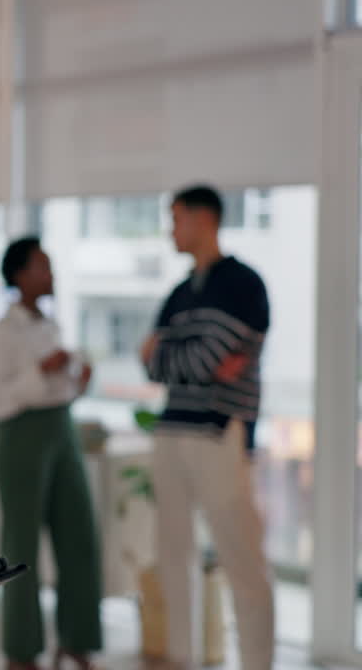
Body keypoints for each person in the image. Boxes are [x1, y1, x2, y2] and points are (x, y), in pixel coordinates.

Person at [139, 185, 273, 670]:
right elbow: (155, 364)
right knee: (172, 554)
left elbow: (193, 357)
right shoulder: (178, 292)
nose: (170, 229)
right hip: (173, 431)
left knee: (241, 558)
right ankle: (180, 658)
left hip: (219, 431)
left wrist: (173, 356)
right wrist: (188, 360)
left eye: (175, 218)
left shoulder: (244, 283)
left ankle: (258, 662)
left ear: (203, 218)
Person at [0, 237, 104, 670]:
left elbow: (61, 388)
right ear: (19, 275)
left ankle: (78, 640)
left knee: (80, 538)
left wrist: (78, 379)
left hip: (62, 429)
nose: (51, 275)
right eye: (43, 267)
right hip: (20, 437)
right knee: (22, 547)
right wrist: (43, 371)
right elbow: (0, 399)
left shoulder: (49, 326)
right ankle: (21, 652)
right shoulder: (2, 332)